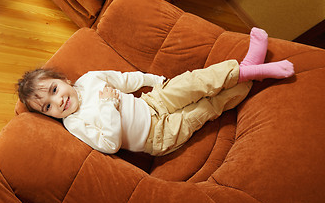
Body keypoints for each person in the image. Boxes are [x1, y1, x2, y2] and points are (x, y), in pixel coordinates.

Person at [17, 28, 294, 156]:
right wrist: (107, 108)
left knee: (193, 82)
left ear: (64, 79)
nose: (58, 101)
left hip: (152, 101)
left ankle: (246, 69)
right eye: (48, 107)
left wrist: (155, 79)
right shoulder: (74, 123)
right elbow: (109, 145)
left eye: (54, 90)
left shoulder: (90, 80)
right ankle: (250, 73)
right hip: (157, 137)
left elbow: (125, 80)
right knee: (209, 107)